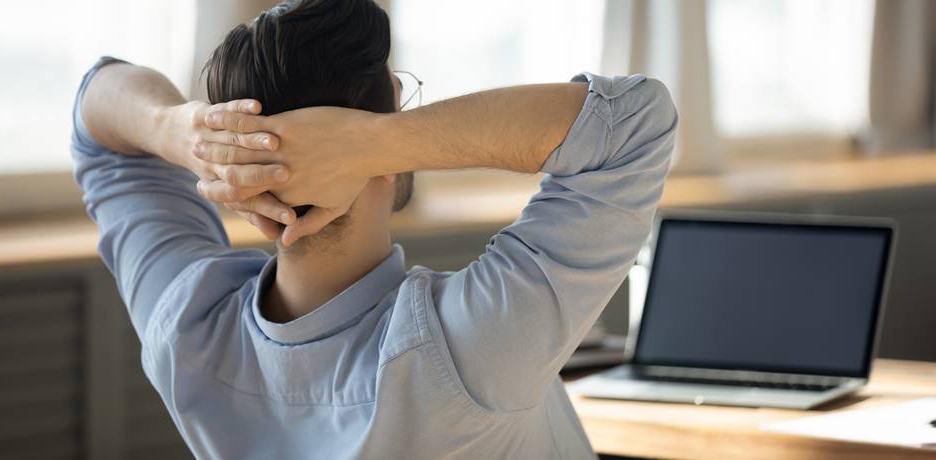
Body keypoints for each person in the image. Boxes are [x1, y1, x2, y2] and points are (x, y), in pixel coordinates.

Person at [72, 0, 677, 458]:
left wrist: (179, 128)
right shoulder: (469, 346)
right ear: (370, 149)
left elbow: (97, 123)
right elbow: (635, 122)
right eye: (399, 110)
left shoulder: (185, 326)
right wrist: (373, 141)